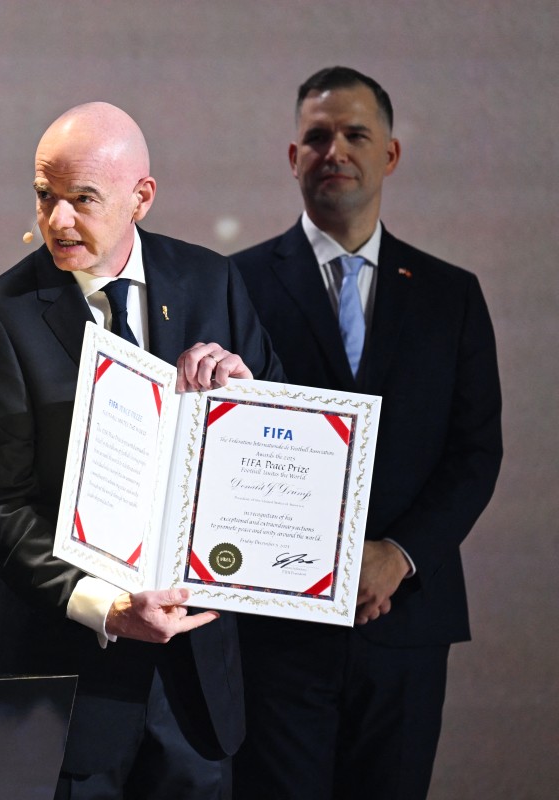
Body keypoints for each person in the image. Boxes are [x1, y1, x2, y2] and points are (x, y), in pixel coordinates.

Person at [0, 101, 282, 799]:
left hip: (196, 688)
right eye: (45, 196)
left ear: (142, 197)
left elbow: (273, 447)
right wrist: (105, 606)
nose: (58, 221)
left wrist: (243, 397)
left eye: (82, 199)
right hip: (71, 685)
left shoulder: (211, 281)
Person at [230, 67, 502, 800]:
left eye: (356, 134)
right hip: (276, 633)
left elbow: (476, 454)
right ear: (294, 158)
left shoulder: (453, 296)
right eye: (317, 137)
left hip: (407, 624)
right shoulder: (235, 284)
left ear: (391, 154)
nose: (335, 150)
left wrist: (397, 556)